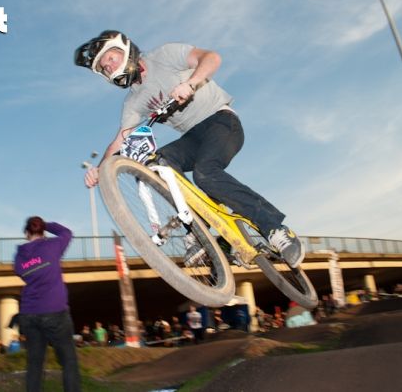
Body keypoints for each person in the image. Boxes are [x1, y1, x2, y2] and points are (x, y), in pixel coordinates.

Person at [75, 30, 304, 268]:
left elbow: (211, 58)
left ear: (125, 49)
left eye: (111, 58)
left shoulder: (163, 56)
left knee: (205, 174)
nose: (110, 66)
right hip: (193, 138)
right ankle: (199, 230)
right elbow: (120, 140)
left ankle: (276, 229)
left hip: (221, 121)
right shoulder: (134, 102)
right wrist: (100, 169)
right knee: (159, 162)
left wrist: (191, 83)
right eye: (105, 67)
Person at [14, 216, 81, 392]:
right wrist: (47, 225)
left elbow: (21, 273)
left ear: (26, 233)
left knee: (35, 364)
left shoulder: (19, 257)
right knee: (68, 361)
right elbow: (66, 232)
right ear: (42, 230)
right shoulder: (53, 246)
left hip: (29, 314)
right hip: (55, 312)